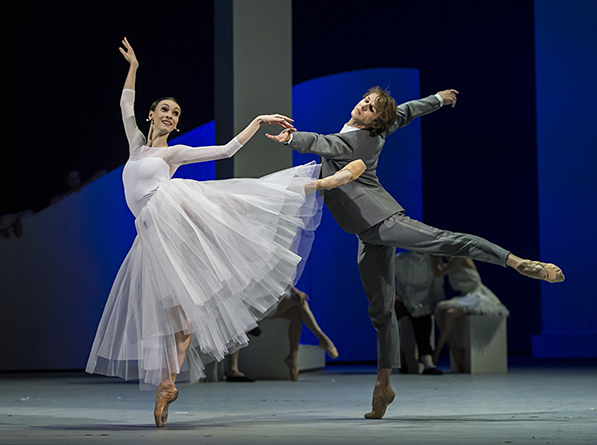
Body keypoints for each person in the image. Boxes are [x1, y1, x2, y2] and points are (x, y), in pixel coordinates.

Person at [85, 38, 365, 428]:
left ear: (177, 123)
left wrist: (260, 120)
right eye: (163, 109)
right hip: (150, 233)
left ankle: (320, 183)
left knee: (242, 200)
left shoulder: (173, 153)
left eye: (175, 112)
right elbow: (124, 104)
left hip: (171, 212)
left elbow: (228, 151)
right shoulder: (135, 147)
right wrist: (134, 66)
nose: (169, 114)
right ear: (151, 115)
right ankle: (167, 384)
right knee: (178, 312)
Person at [267, 86, 564, 419]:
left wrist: (292, 139)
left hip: (385, 221)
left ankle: (518, 262)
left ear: (376, 121)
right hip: (368, 235)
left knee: (448, 240)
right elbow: (406, 111)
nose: (364, 105)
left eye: (372, 107)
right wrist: (439, 99)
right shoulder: (370, 130)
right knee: (381, 311)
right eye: (366, 100)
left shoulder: (357, 140)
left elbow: (323, 143)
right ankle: (384, 386)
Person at [432, 258, 509, 372]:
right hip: (466, 297)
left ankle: (437, 351)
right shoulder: (449, 265)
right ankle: (455, 350)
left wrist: (433, 258)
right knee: (438, 312)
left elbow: (439, 272)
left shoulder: (462, 258)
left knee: (450, 313)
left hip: (478, 296)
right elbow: (438, 272)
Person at [268, 286, 339, 381]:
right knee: (299, 300)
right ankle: (322, 337)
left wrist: (296, 291)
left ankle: (293, 358)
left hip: (269, 301)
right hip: (259, 305)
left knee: (296, 314)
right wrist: (296, 292)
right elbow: (279, 278)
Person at [393, 251, 444, 375]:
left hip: (422, 303)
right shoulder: (399, 259)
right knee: (390, 315)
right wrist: (392, 294)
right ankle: (398, 355)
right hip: (402, 301)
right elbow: (384, 278)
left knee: (423, 322)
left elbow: (437, 287)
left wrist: (440, 305)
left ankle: (427, 360)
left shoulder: (434, 261)